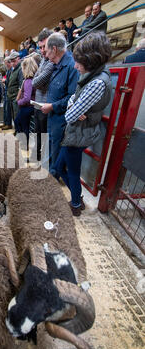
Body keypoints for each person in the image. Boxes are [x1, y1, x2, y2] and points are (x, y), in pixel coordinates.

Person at [55, 32, 112, 216]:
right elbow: (73, 100)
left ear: (91, 61)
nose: (75, 65)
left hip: (79, 136)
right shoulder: (91, 76)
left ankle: (76, 205)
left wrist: (74, 109)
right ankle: (77, 199)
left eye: (79, 61)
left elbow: (69, 116)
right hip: (75, 133)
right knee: (59, 167)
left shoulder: (96, 83)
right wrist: (74, 107)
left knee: (71, 170)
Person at [41, 33, 79, 175]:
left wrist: (53, 106)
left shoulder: (71, 66)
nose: (44, 51)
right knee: (51, 146)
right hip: (52, 116)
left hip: (61, 118)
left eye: (46, 48)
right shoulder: (55, 65)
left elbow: (72, 96)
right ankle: (50, 172)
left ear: (54, 49)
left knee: (56, 148)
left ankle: (53, 178)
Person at [32, 28, 55, 162]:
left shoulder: (52, 63)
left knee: (46, 136)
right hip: (38, 105)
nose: (42, 50)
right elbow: (36, 79)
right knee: (37, 134)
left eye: (44, 47)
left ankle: (45, 162)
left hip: (46, 105)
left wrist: (39, 76)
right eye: (40, 47)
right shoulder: (43, 61)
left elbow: (36, 82)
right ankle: (37, 158)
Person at [14, 56, 38, 146]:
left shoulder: (28, 81)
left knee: (21, 124)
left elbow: (27, 98)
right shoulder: (34, 79)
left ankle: (24, 143)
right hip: (32, 106)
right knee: (24, 125)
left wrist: (19, 102)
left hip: (27, 107)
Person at [6, 51, 23, 125]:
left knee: (17, 117)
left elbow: (21, 86)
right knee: (14, 117)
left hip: (16, 98)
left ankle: (19, 133)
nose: (12, 63)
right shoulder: (14, 69)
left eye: (14, 61)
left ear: (18, 59)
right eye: (11, 61)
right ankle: (17, 131)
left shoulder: (20, 69)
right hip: (12, 97)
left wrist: (17, 99)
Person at [0, 57, 13, 130]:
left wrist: (5, 81)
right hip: (6, 91)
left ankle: (8, 124)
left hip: (9, 92)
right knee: (5, 108)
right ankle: (5, 123)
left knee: (8, 109)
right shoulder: (8, 70)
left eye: (5, 63)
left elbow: (11, 82)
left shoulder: (11, 70)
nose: (5, 64)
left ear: (8, 62)